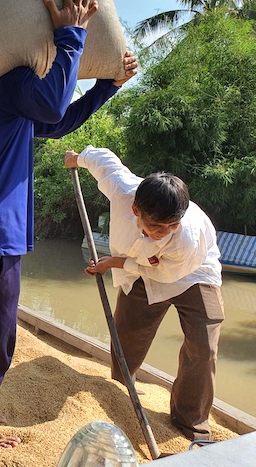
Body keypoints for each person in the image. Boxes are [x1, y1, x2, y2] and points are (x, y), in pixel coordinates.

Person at [0, 0, 138, 448]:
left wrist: (107, 87)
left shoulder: (1, 98)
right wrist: (72, 34)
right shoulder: (9, 83)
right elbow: (52, 104)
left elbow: (58, 119)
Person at [64, 146, 223, 441]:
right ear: (136, 211)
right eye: (157, 225)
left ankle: (191, 423)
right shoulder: (124, 190)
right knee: (125, 342)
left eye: (171, 225)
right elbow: (103, 161)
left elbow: (164, 273)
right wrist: (77, 158)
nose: (165, 231)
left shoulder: (187, 237)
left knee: (204, 348)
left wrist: (113, 262)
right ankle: (121, 396)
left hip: (194, 272)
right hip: (140, 272)